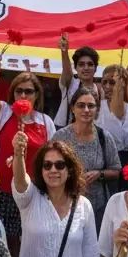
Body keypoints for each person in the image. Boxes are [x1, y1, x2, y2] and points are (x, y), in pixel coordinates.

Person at [0, 60, 55, 250]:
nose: (23, 95)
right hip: (4, 191)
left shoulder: (45, 122)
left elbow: (52, 155)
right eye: (19, 90)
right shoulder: (4, 113)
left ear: (37, 95)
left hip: (35, 191)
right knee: (3, 243)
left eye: (28, 91)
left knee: (30, 242)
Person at [52, 86, 122, 225]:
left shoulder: (104, 137)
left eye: (91, 106)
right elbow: (48, 166)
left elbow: (117, 170)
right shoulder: (60, 136)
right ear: (72, 108)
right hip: (65, 203)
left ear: (97, 110)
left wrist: (100, 174)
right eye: (81, 105)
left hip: (97, 208)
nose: (86, 110)